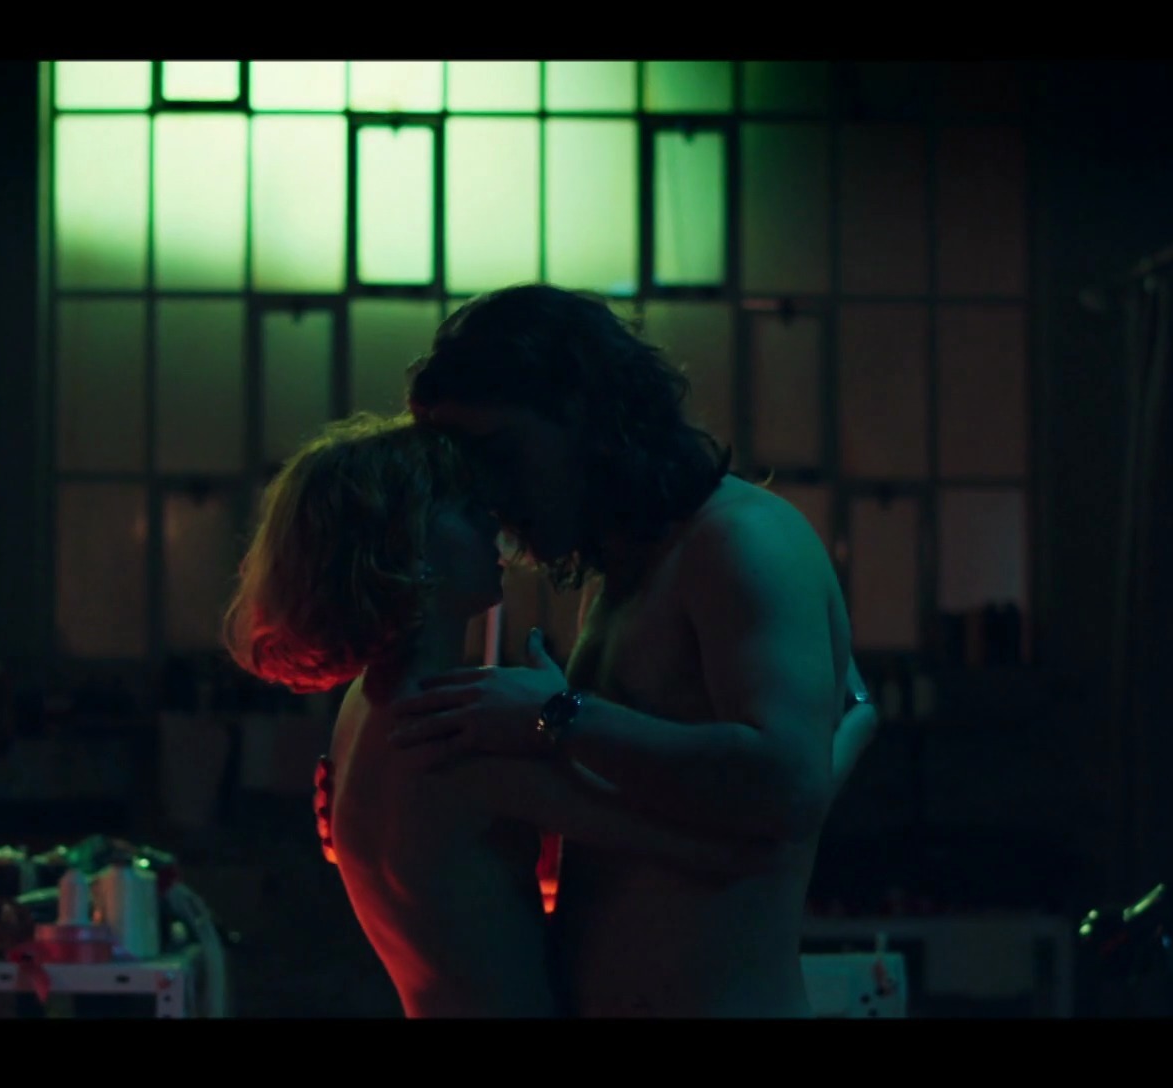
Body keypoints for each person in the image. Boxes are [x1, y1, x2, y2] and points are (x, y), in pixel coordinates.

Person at [386, 283, 858, 1017]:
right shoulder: (630, 569)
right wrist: (409, 799)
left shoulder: (738, 540)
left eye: (500, 453)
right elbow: (655, 791)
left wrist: (557, 716)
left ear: (582, 414)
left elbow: (789, 784)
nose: (490, 495)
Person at [222, 412, 770, 1017]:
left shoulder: (367, 708)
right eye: (464, 507)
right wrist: (838, 729)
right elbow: (718, 850)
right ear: (409, 550)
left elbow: (461, 874)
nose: (493, 520)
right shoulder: (458, 729)